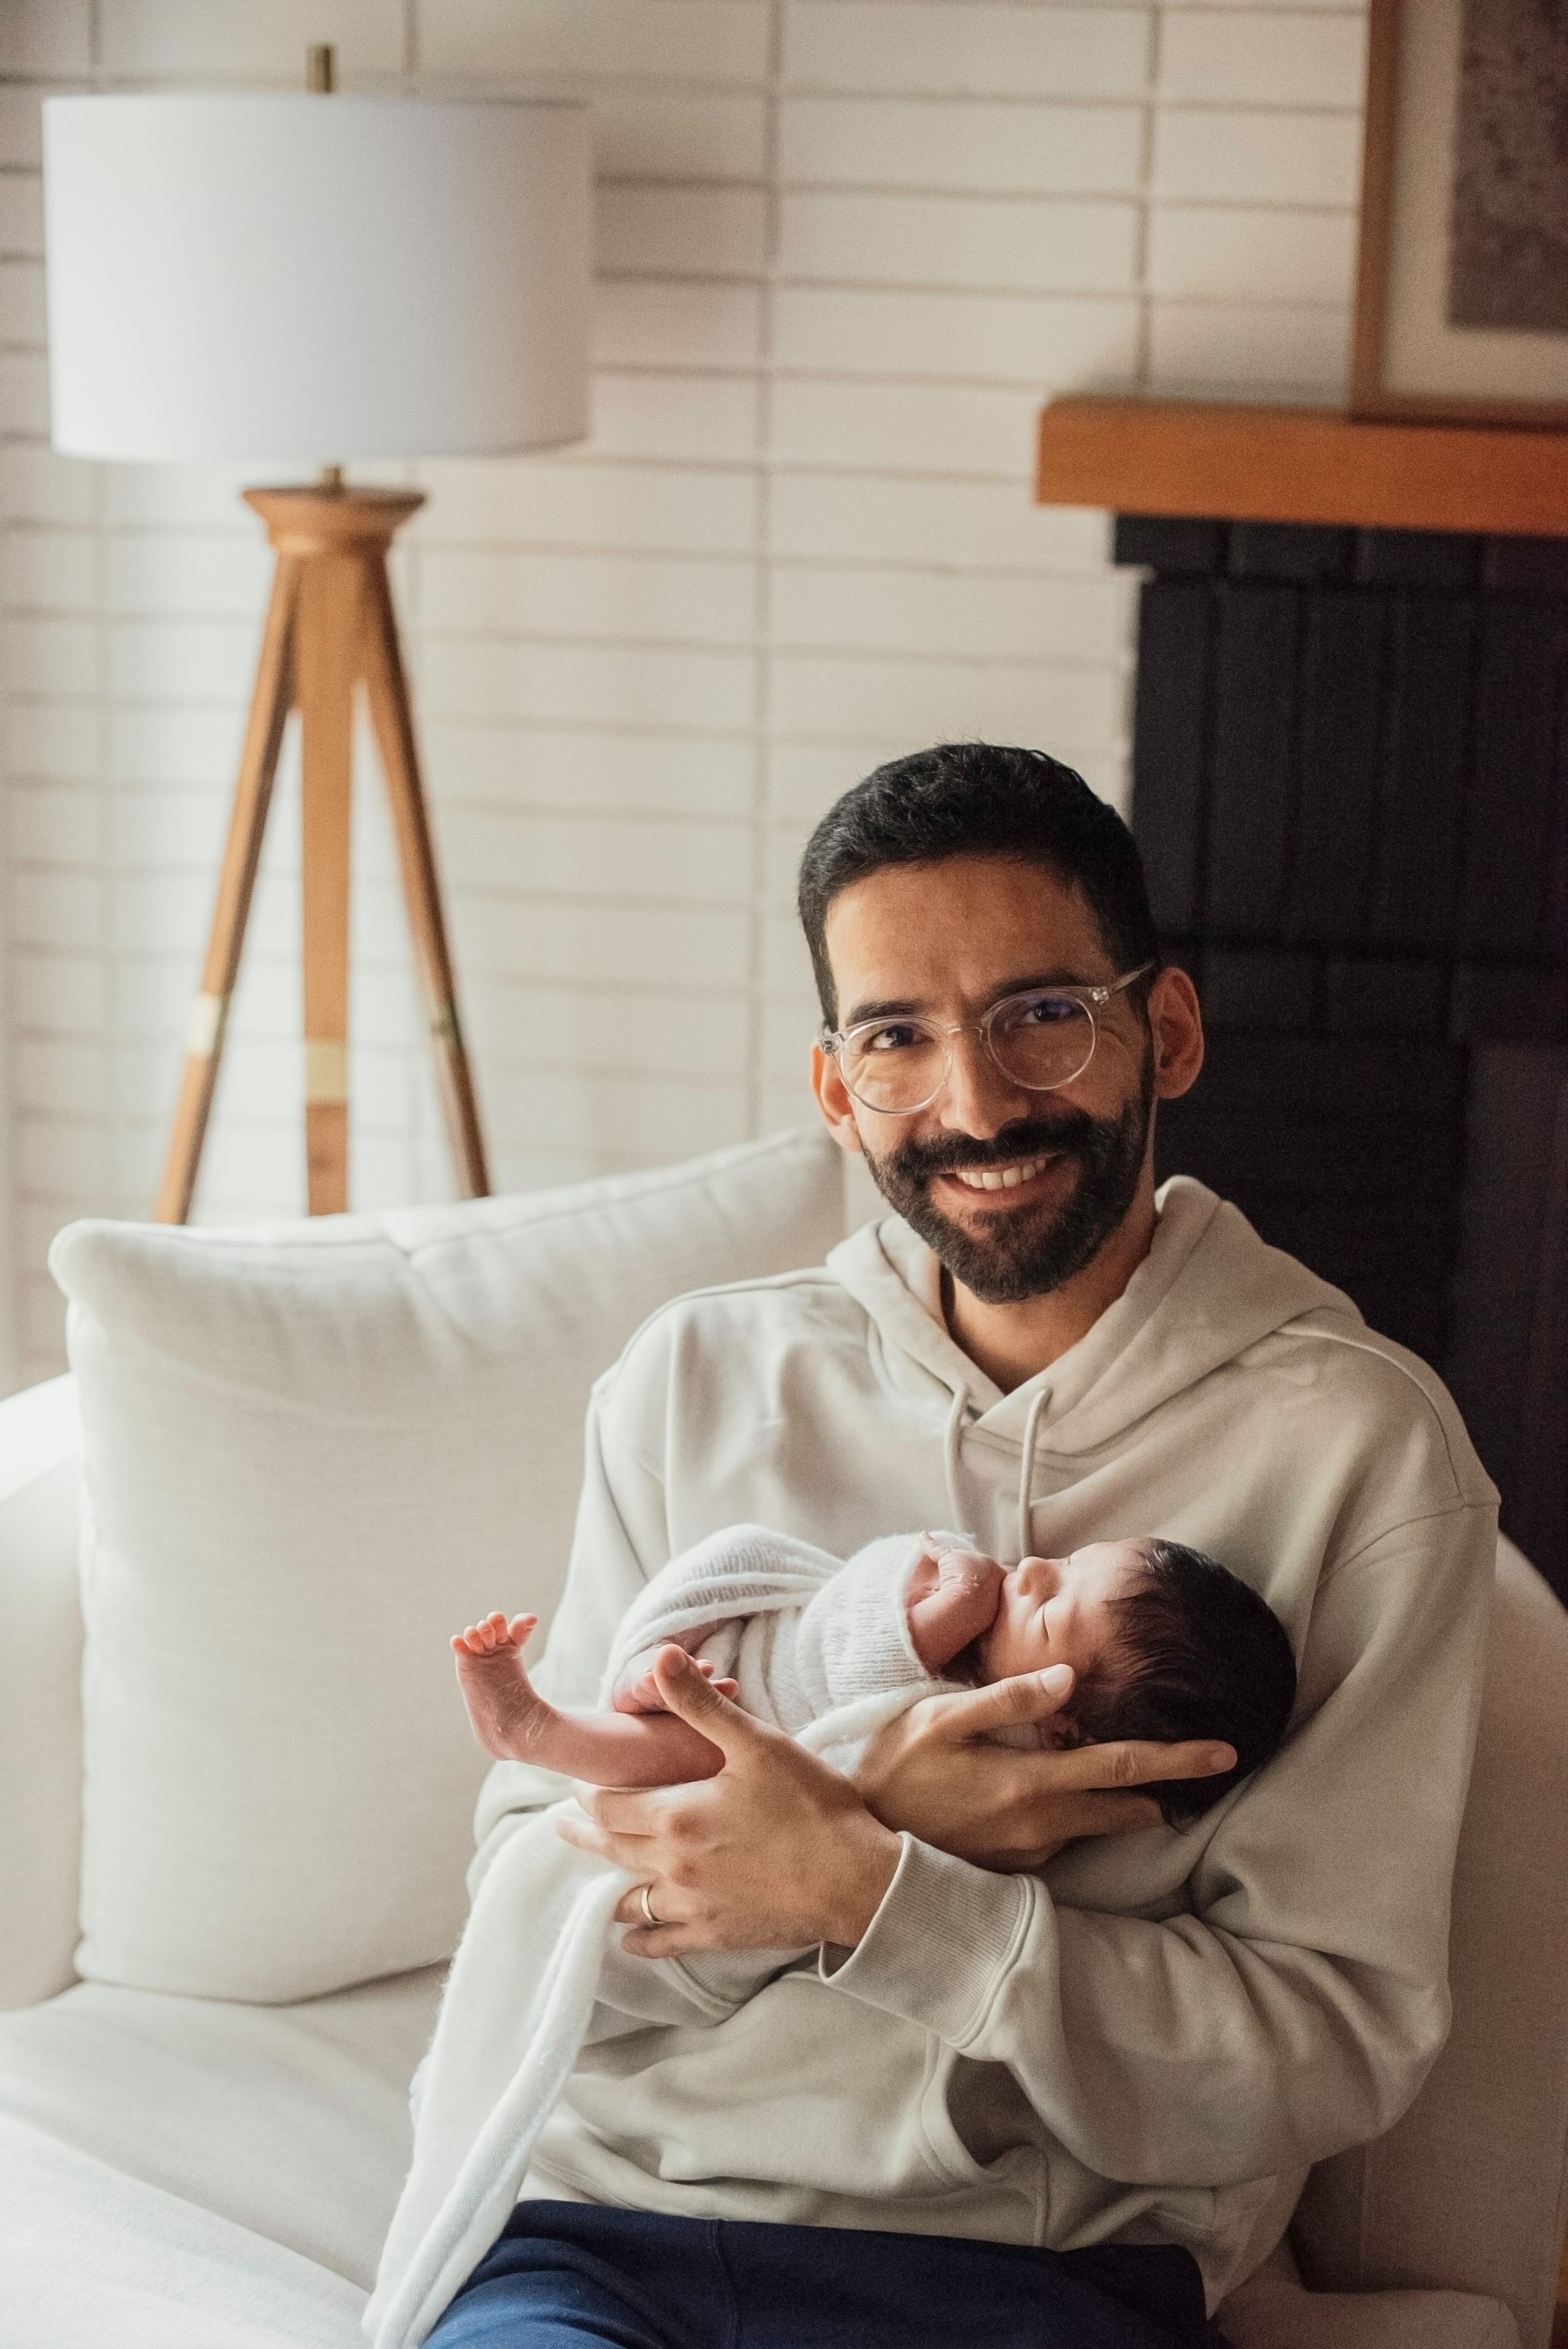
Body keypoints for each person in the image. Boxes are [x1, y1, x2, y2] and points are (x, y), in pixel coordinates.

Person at [372, 743, 1497, 2349]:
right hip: (600, 2240)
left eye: (1044, 1014)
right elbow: (527, 1908)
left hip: (1033, 2281)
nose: (975, 1104)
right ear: (839, 1089)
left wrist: (883, 1891)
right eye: (899, 1037)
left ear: (1163, 1030)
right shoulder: (697, 1380)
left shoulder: (1357, 1455)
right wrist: (828, 1832)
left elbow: (1325, 2040)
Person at [448, 1526, 1298, 1828]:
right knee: (738, 1559)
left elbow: (873, 1683)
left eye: (1049, 1610)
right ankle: (643, 1667)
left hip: (762, 1742)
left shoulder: (994, 1737)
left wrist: (954, 1598)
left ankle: (534, 1729)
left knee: (673, 1759)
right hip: (761, 1654)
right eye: (1070, 1561)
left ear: (1060, 1725)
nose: (1031, 1570)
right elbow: (856, 1591)